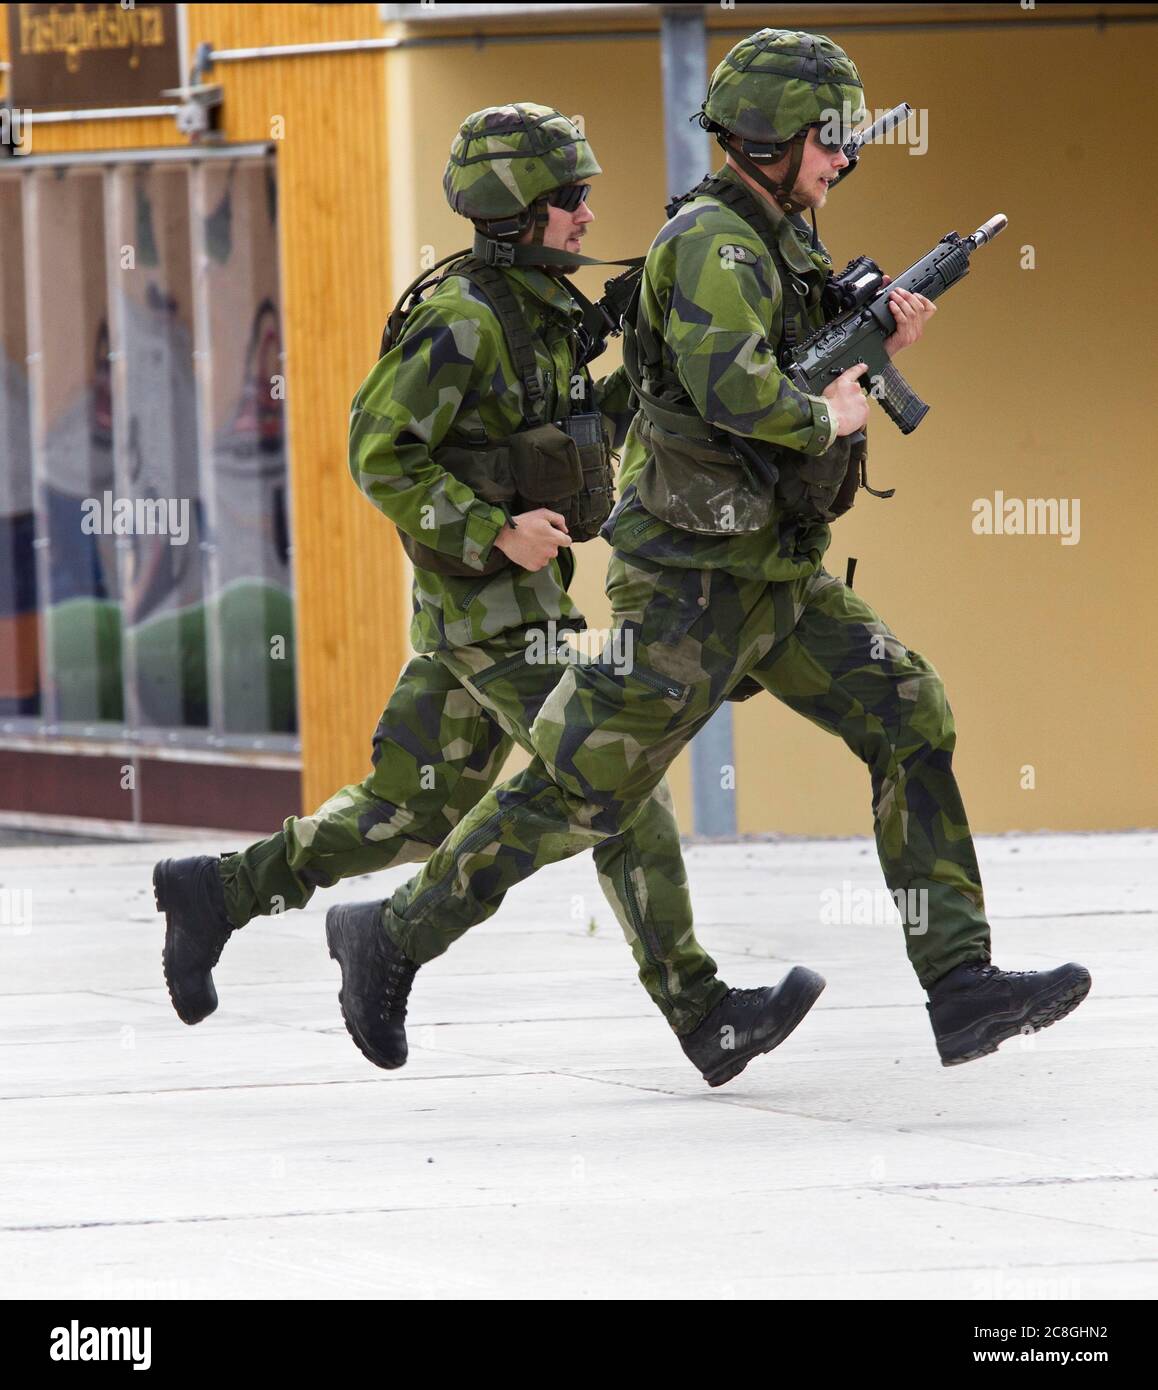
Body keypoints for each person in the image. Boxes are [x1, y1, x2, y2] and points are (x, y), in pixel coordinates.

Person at [324, 34, 1090, 1076]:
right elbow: (735, 387)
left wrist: (878, 340)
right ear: (773, 138)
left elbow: (788, 358)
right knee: (576, 793)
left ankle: (959, 984)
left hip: (772, 574)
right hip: (689, 586)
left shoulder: (783, 238)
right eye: (830, 139)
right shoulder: (715, 245)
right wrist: (831, 418)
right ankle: (391, 937)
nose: (844, 158)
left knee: (912, 712)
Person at [154, 102, 824, 1090]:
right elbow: (378, 453)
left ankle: (215, 893)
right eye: (570, 200)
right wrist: (491, 529)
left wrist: (661, 368)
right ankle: (702, 1009)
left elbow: (569, 431)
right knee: (618, 787)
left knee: (406, 812)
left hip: (490, 614)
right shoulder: (462, 321)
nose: (588, 215)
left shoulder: (541, 312)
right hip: (493, 613)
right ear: (517, 209)